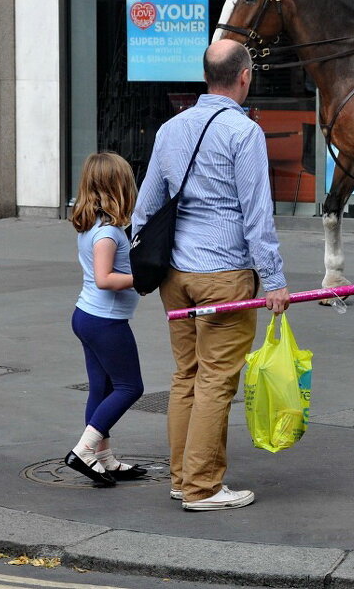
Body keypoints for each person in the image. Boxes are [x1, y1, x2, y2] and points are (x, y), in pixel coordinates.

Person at [132, 39, 290, 512]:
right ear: (244, 77)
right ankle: (202, 488)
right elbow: (256, 216)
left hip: (176, 276)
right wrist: (275, 281)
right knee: (217, 381)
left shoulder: (171, 129)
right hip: (225, 274)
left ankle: (183, 478)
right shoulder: (244, 134)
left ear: (207, 76)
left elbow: (145, 210)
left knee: (187, 375)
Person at [64, 152, 146, 488]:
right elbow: (104, 278)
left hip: (88, 316)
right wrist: (141, 277)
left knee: (102, 388)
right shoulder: (108, 233)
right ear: (120, 187)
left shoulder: (92, 225)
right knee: (130, 387)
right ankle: (84, 451)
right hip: (105, 321)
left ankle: (103, 458)